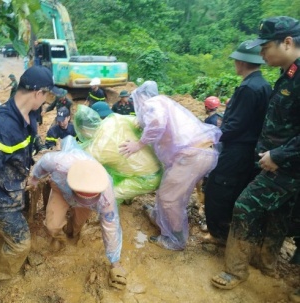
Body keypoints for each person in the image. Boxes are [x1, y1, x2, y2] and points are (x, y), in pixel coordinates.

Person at [210, 16, 300, 290]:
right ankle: (266, 263)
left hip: (286, 165)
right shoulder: (288, 75)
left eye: (265, 47)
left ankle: (235, 271)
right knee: (279, 215)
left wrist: (278, 156)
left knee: (244, 206)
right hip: (278, 164)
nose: (261, 54)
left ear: (286, 42)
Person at [0, 65, 62, 281]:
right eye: (45, 96)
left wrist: (40, 158)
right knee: (21, 244)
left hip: (14, 182)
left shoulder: (30, 113)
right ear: (37, 93)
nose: (45, 102)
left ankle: (5, 233)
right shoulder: (2, 126)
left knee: (22, 218)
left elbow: (31, 141)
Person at [118, 81, 221, 251]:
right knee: (170, 191)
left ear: (142, 96)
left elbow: (157, 123)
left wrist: (138, 144)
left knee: (168, 197)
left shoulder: (153, 103)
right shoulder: (164, 103)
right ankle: (159, 217)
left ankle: (175, 238)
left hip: (192, 156)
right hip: (201, 153)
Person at [27, 137, 127, 290]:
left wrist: (115, 263)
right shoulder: (61, 163)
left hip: (87, 198)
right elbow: (44, 162)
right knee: (52, 225)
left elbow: (111, 228)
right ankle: (59, 237)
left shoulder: (106, 196)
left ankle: (72, 234)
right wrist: (34, 178)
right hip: (62, 189)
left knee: (78, 224)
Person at [204, 40, 271, 243]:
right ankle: (227, 233)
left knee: (218, 189)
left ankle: (220, 235)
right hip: (250, 148)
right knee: (233, 188)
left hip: (237, 149)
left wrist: (211, 135)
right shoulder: (263, 85)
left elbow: (235, 126)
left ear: (241, 62)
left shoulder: (249, 88)